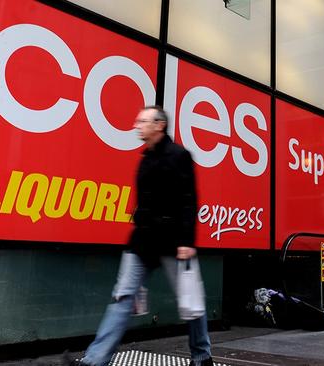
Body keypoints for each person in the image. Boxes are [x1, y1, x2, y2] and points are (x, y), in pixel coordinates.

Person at [65, 106, 213, 366]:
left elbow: (189, 200)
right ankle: (94, 360)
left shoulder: (179, 155)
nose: (136, 125)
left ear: (159, 125)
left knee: (191, 302)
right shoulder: (146, 157)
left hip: (172, 242)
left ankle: (202, 358)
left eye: (143, 121)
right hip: (142, 242)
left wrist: (187, 242)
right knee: (122, 298)